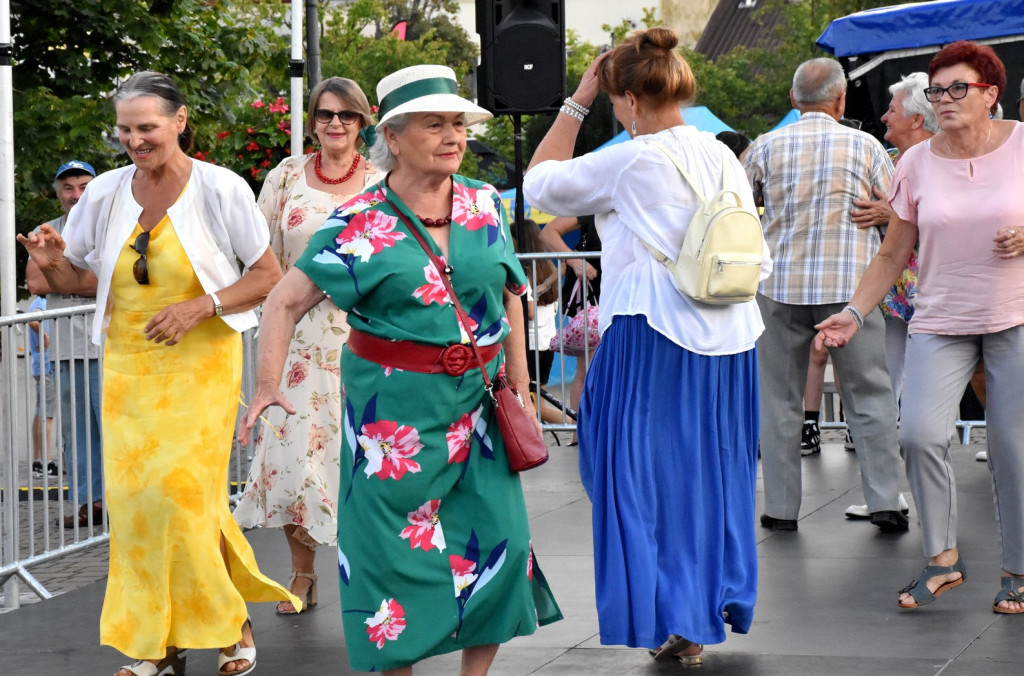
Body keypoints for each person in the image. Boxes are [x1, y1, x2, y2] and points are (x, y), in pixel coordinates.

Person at [239, 64, 562, 675]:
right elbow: (283, 299)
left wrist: (518, 381)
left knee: (501, 542)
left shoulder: (482, 202)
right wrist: (266, 387)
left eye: (458, 124)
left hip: (477, 403)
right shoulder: (359, 219)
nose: (453, 135)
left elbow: (512, 290)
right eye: (434, 123)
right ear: (392, 135)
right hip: (392, 417)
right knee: (390, 558)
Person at [18, 71, 296, 676]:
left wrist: (203, 305)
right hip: (127, 364)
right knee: (139, 503)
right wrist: (49, 264)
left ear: (179, 121)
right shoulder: (106, 192)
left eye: (147, 127)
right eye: (125, 129)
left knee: (185, 498)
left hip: (201, 362)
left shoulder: (221, 188)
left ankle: (231, 625)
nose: (136, 140)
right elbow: (82, 282)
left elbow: (268, 276)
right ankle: (155, 643)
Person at [524, 27, 771, 666]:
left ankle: (675, 609)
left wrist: (578, 99)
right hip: (729, 334)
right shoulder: (721, 154)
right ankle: (702, 604)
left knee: (628, 474)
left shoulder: (633, 158)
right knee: (712, 475)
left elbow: (538, 186)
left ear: (628, 98)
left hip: (651, 334)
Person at [815, 41, 1024, 614]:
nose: (945, 99)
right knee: (919, 435)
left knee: (1012, 447)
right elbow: (891, 254)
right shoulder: (915, 162)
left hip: (1015, 317)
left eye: (960, 88)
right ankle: (942, 560)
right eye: (937, 90)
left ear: (990, 94)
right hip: (940, 319)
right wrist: (853, 313)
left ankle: (1019, 570)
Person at [233, 77, 381, 616]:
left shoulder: (384, 183)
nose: (335, 123)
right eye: (324, 114)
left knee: (364, 461)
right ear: (312, 119)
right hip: (294, 341)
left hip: (365, 339)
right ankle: (302, 576)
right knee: (298, 457)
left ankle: (369, 573)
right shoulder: (287, 176)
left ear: (366, 121)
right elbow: (261, 255)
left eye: (346, 114)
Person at [744, 57, 908, 533]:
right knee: (870, 395)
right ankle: (884, 500)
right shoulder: (866, 146)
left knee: (778, 401)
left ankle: (780, 508)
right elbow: (899, 210)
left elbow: (734, 205)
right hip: (852, 294)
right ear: (840, 100)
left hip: (777, 289)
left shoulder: (765, 147)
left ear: (794, 100)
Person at [26, 160, 104, 528]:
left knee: (116, 428)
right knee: (77, 433)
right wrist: (84, 278)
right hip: (68, 347)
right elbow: (37, 284)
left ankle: (124, 501)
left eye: (84, 186)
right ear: (58, 195)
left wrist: (59, 274)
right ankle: (90, 503)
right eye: (69, 189)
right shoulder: (44, 231)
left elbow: (118, 279)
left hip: (110, 342)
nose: (77, 195)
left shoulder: (112, 226)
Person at [537, 214, 600, 441]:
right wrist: (575, 260)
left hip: (620, 288)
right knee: (587, 365)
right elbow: (548, 232)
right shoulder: (591, 205)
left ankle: (586, 428)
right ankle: (579, 429)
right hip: (592, 289)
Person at [512, 219, 562, 425]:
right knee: (537, 400)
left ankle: (580, 423)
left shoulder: (523, 270)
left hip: (530, 344)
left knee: (532, 404)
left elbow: (530, 312)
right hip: (547, 341)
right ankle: (577, 423)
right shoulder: (548, 266)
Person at [25, 291, 59, 481]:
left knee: (41, 412)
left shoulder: (38, 302)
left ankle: (38, 461)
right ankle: (45, 463)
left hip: (40, 366)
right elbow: (33, 320)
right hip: (46, 366)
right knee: (47, 414)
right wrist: (44, 334)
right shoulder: (42, 302)